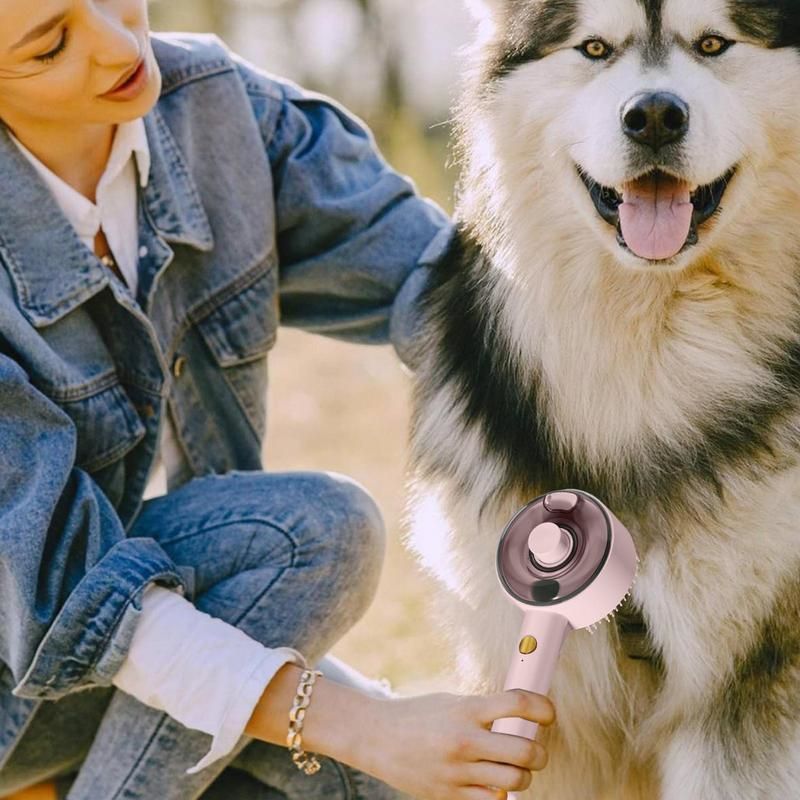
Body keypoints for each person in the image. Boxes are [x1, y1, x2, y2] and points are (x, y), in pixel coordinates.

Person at [0, 2, 556, 799]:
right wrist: (368, 727)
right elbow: (64, 597)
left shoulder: (220, 112)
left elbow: (453, 298)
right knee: (310, 536)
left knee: (379, 788)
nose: (118, 44)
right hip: (24, 659)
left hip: (138, 645)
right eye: (51, 45)